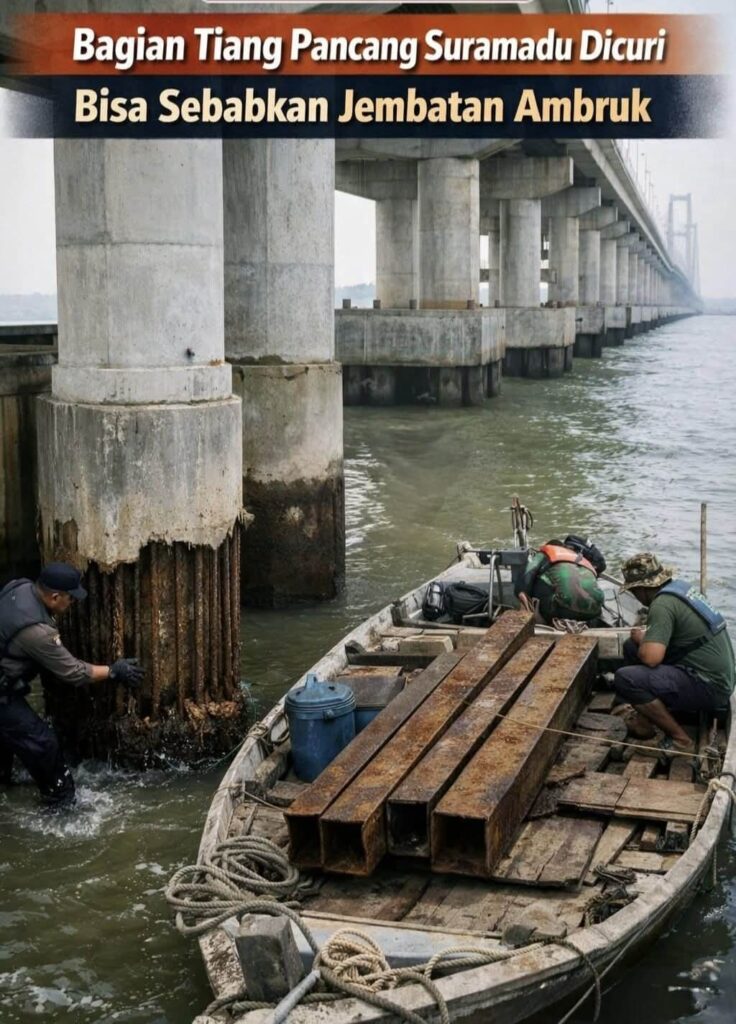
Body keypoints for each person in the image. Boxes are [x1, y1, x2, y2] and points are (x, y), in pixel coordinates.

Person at [0, 562, 144, 808]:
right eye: (71, 598)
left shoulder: (19, 586)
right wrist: (114, 671)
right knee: (44, 743)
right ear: (55, 597)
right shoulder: (37, 632)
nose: (73, 603)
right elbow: (74, 672)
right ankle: (61, 805)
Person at [613, 552, 735, 756]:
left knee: (625, 679)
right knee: (630, 647)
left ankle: (680, 740)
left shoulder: (661, 604)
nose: (635, 597)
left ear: (642, 589)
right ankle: (646, 717)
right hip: (720, 677)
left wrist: (642, 640)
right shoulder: (681, 589)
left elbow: (651, 659)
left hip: (710, 686)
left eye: (634, 591)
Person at [515, 537, 606, 626]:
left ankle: (545, 618)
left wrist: (520, 592)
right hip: (596, 610)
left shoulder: (546, 552)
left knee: (536, 579)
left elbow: (526, 575)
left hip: (561, 609)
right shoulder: (580, 559)